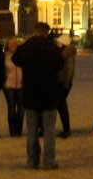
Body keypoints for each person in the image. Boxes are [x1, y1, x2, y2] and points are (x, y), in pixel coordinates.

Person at [12, 22, 64, 170]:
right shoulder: (52, 47)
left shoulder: (27, 46)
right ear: (47, 32)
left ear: (35, 31)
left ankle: (32, 160)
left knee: (31, 130)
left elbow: (15, 58)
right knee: (49, 130)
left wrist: (27, 66)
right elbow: (60, 64)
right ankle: (49, 161)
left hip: (30, 92)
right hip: (49, 92)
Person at [55, 35, 77, 138]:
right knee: (61, 104)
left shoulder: (67, 53)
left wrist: (67, 83)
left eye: (58, 42)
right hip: (61, 81)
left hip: (63, 82)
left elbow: (70, 69)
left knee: (61, 104)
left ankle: (66, 130)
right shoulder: (64, 53)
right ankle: (66, 129)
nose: (57, 44)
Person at [2, 37, 24, 137]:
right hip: (9, 84)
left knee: (21, 108)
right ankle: (13, 130)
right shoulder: (4, 56)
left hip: (21, 84)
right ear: (8, 45)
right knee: (11, 108)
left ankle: (18, 129)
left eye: (15, 44)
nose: (13, 46)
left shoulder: (22, 55)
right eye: (11, 44)